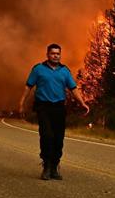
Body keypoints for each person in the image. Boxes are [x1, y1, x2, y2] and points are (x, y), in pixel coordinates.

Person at [18, 43, 89, 180]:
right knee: (47, 135)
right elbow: (28, 87)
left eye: (58, 54)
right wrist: (21, 103)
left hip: (59, 107)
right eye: (53, 53)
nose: (55, 56)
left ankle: (55, 166)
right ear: (47, 55)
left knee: (58, 138)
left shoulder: (64, 71)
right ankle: (46, 166)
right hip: (43, 107)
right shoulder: (38, 69)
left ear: (60, 55)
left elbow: (73, 89)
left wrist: (82, 103)